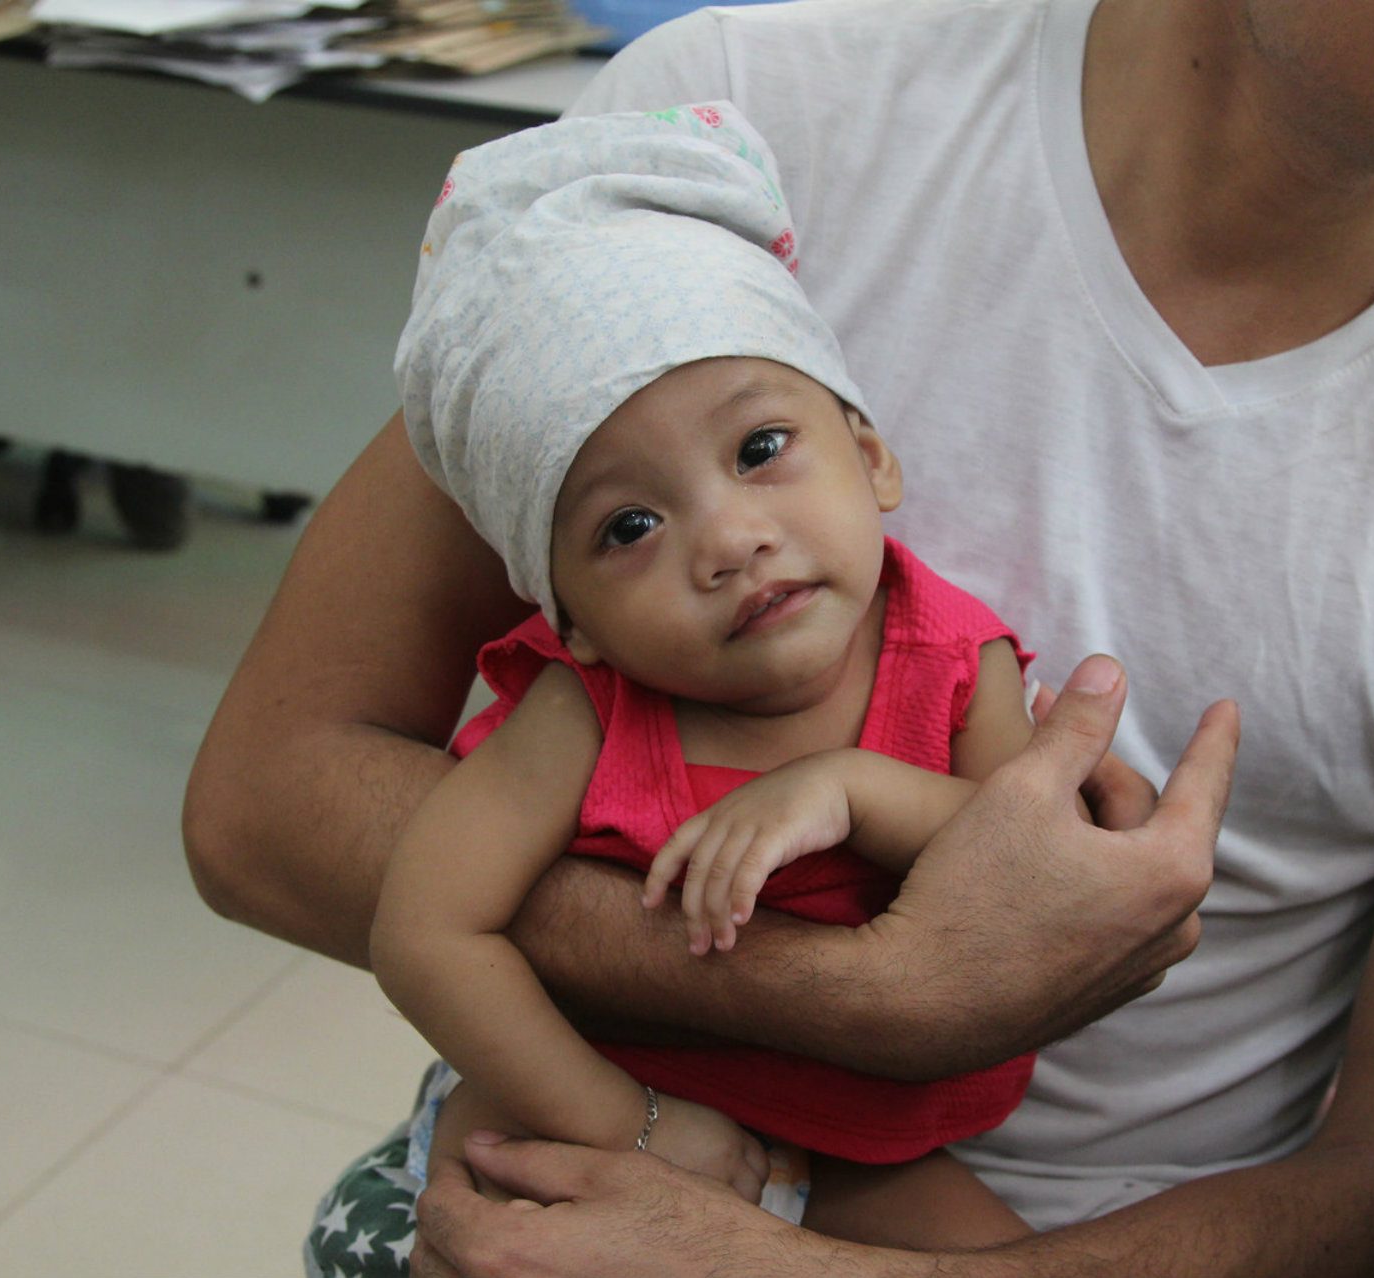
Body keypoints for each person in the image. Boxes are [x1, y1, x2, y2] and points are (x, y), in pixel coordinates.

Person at [179, 0, 1374, 1272]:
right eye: (644, 528)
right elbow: (269, 802)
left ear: (872, 458)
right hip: (608, 1156)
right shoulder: (729, 139)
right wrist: (861, 996)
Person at [371, 102, 1050, 1247]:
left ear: (872, 456)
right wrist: (629, 1123)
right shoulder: (583, 707)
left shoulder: (949, 660)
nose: (729, 540)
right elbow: (428, 931)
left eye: (760, 451)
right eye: (629, 524)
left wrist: (845, 789)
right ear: (572, 620)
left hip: (861, 1146)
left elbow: (1030, 866)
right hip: (598, 1104)